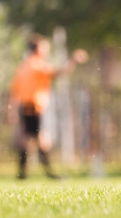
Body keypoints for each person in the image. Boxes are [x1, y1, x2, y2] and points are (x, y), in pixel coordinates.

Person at [7, 34, 87, 180]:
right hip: (33, 107)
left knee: (30, 139)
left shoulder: (23, 67)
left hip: (25, 107)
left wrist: (11, 110)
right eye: (45, 48)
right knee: (38, 140)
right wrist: (72, 60)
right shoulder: (37, 64)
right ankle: (47, 174)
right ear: (37, 50)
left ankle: (23, 174)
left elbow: (14, 90)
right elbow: (57, 73)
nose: (46, 51)